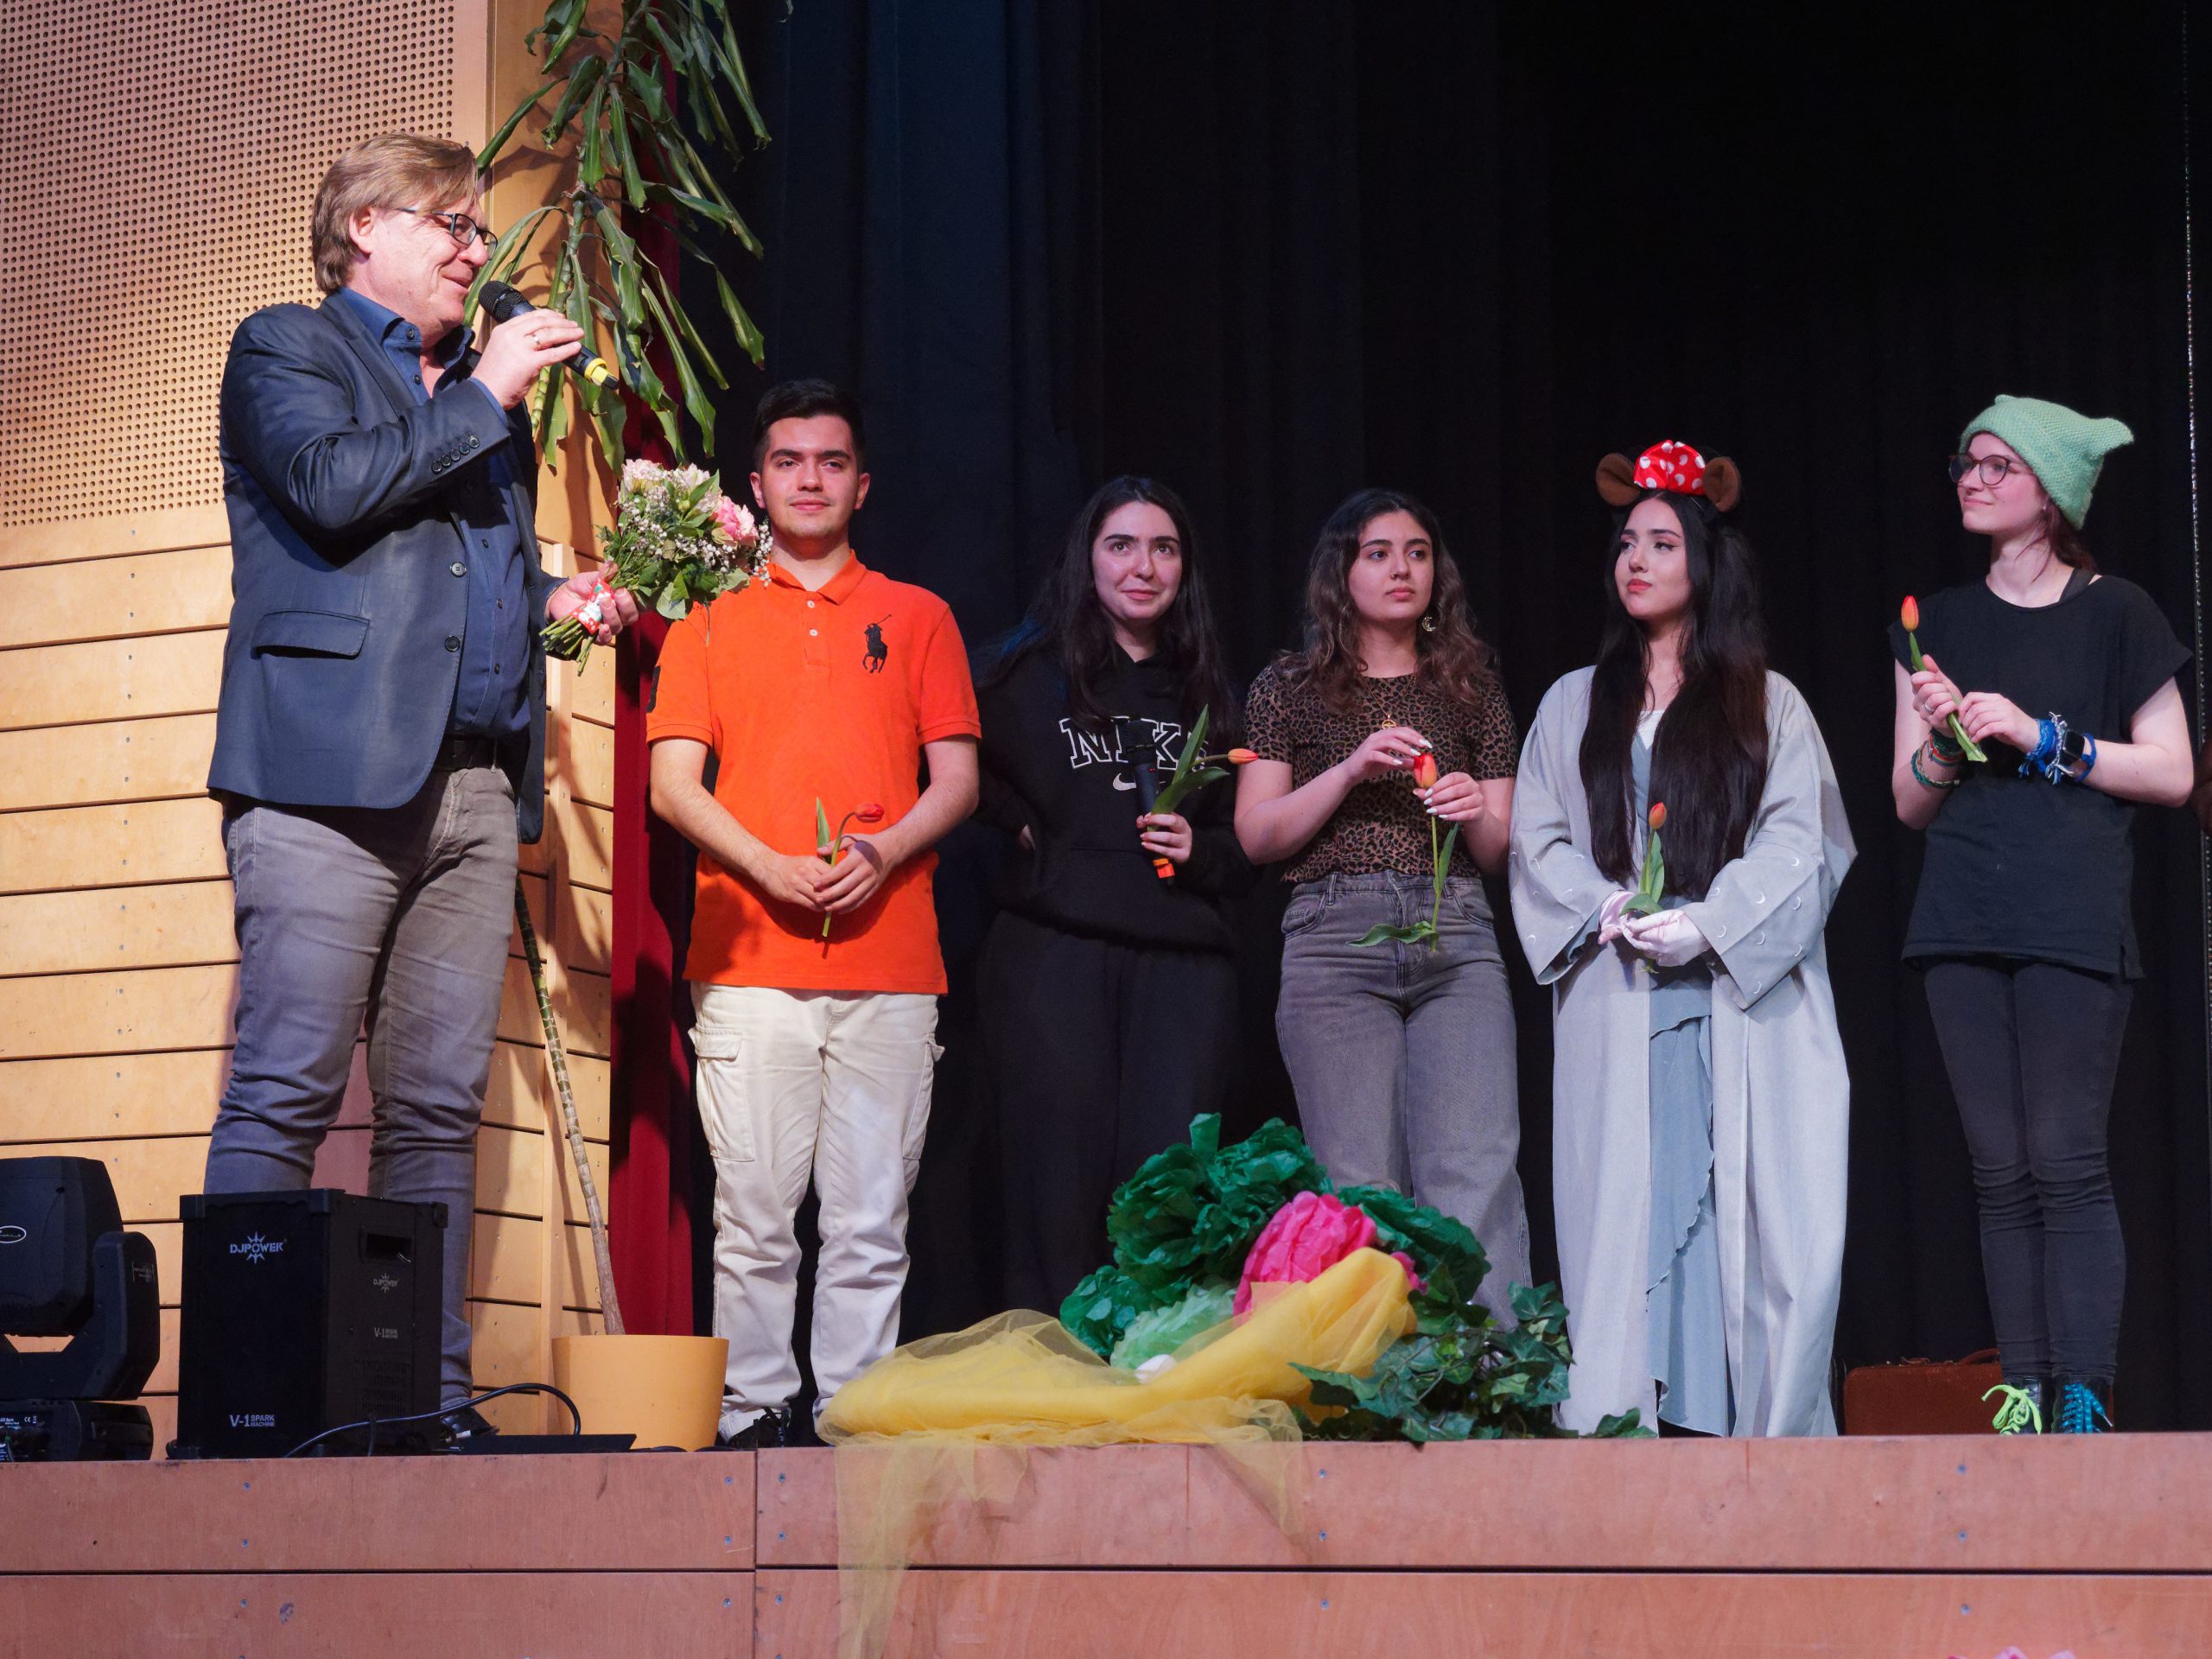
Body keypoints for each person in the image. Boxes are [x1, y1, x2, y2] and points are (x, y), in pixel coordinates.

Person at [202, 134, 637, 1427]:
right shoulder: (286, 346)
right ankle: (241, 1409)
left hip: (472, 789)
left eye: (478, 229)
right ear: (365, 228)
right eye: (452, 224)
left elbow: (460, 569)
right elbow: (334, 492)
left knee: (437, 1113)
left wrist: (560, 599)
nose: (474, 250)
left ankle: (423, 1408)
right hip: (324, 781)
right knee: (286, 1087)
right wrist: (488, 388)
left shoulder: (472, 393)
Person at [647, 379, 981, 1446]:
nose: (809, 479)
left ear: (861, 485)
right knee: (753, 1220)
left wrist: (880, 852)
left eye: (831, 462)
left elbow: (958, 781)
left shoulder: (919, 615)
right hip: (746, 960)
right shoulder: (706, 615)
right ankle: (752, 1415)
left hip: (891, 961)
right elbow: (672, 784)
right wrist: (767, 866)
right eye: (788, 461)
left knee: (871, 1223)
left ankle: (852, 1417)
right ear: (756, 483)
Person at [1510, 442, 1853, 1437]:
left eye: (1661, 543)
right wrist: (1604, 908)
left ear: (1705, 562)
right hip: (1620, 990)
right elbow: (1538, 836)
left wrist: (1708, 922)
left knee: (1757, 1217)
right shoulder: (1573, 702)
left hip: (1736, 995)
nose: (1636, 560)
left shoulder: (1766, 703)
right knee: (1626, 1213)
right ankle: (1626, 1432)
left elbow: (1799, 841)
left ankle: (1751, 1445)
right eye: (1626, 543)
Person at [1891, 397, 2191, 1434]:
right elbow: (1908, 802)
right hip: (1961, 916)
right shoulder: (1934, 621)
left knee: (2064, 1161)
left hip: (2069, 914)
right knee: (1998, 1171)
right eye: (1965, 464)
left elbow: (2172, 773)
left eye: (1996, 465)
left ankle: (2083, 1399)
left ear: (2051, 491)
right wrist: (1942, 742)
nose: (1972, 480)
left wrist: (2039, 734)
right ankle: (2022, 1393)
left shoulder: (2117, 613)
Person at [1233, 488, 1529, 1311]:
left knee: (1474, 1167)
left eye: (1418, 553)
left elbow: (1498, 851)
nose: (1402, 569)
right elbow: (1257, 834)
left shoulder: (1471, 686)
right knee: (1359, 1180)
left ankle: (1492, 1369)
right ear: (1342, 572)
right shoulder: (1289, 686)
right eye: (1379, 553)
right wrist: (1351, 768)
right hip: (1335, 937)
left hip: (1454, 932)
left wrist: (1473, 809)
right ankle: (1374, 1373)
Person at [975, 477, 1254, 1313]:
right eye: (1122, 546)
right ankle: (1058, 1359)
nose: (1144, 567)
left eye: (1164, 549)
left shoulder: (1209, 690)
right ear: (1087, 559)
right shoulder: (1023, 672)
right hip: (1056, 953)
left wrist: (1200, 850)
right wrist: (1016, 820)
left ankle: (1157, 1361)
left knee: (1168, 1182)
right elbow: (939, 756)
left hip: (1183, 965)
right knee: (1055, 1174)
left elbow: (1250, 849)